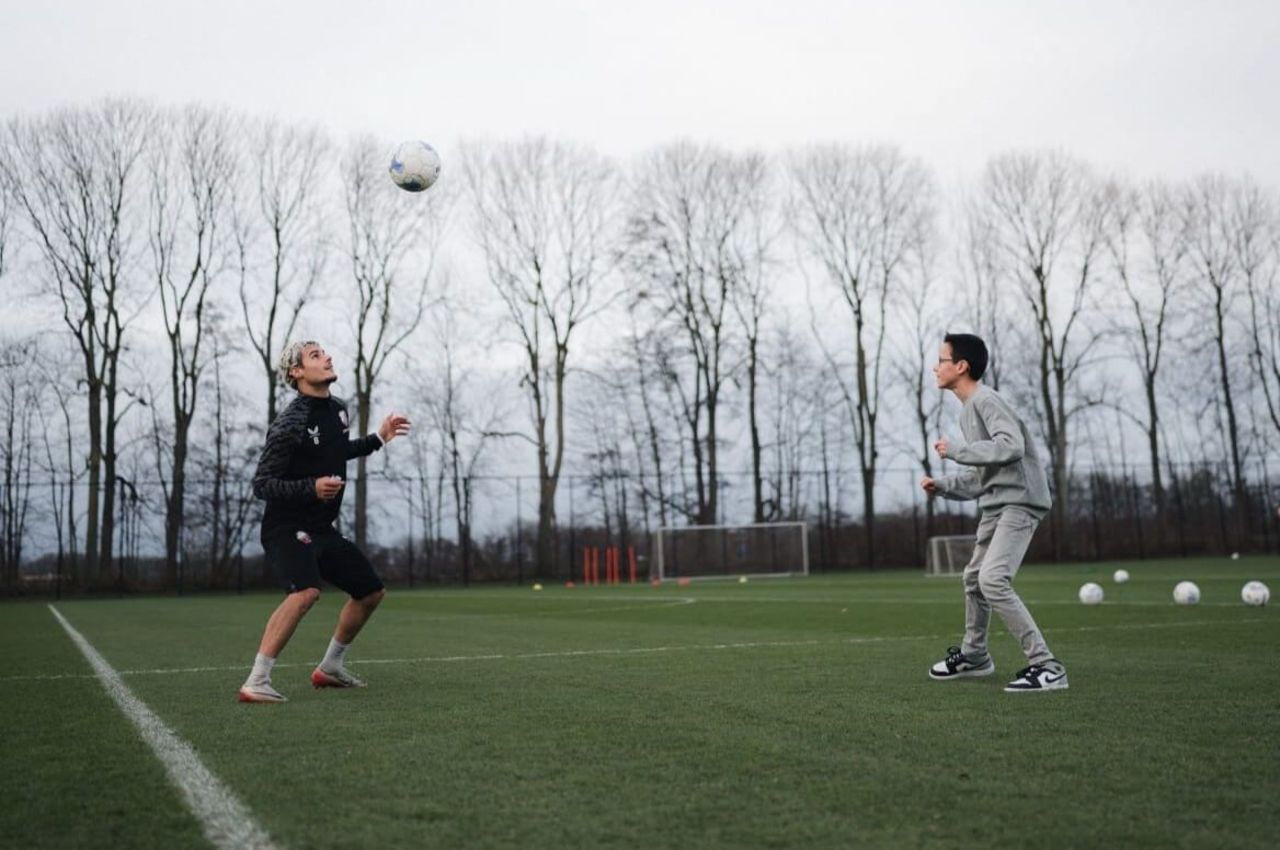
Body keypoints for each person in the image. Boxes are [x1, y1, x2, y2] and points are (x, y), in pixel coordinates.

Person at [238, 341, 411, 703]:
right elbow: (262, 485)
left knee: (370, 592)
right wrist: (310, 487)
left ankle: (330, 667)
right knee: (306, 592)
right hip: (285, 527)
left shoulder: (337, 410)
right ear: (297, 373)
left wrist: (379, 438)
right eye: (316, 356)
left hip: (320, 529)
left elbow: (337, 450)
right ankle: (257, 680)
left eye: (326, 353)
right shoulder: (289, 423)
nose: (328, 357)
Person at [920, 333, 1068, 693]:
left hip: (1020, 503)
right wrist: (943, 486)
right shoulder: (968, 411)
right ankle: (975, 656)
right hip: (995, 505)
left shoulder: (986, 400)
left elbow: (1011, 446)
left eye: (941, 360)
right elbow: (982, 476)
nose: (935, 367)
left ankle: (1047, 666)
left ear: (961, 366)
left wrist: (957, 450)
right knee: (973, 579)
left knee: (992, 579)